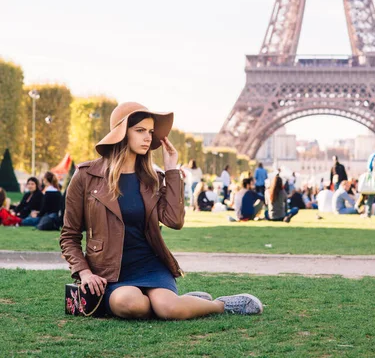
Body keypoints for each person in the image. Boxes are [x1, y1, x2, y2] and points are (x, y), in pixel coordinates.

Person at [60, 101, 263, 319]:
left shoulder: (153, 179)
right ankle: (183, 302)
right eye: (140, 131)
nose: (148, 137)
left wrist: (171, 170)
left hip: (149, 265)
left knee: (169, 310)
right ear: (121, 133)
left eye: (150, 131)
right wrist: (85, 273)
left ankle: (220, 305)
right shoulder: (86, 176)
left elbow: (175, 221)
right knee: (127, 303)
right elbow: (69, 235)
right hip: (108, 272)